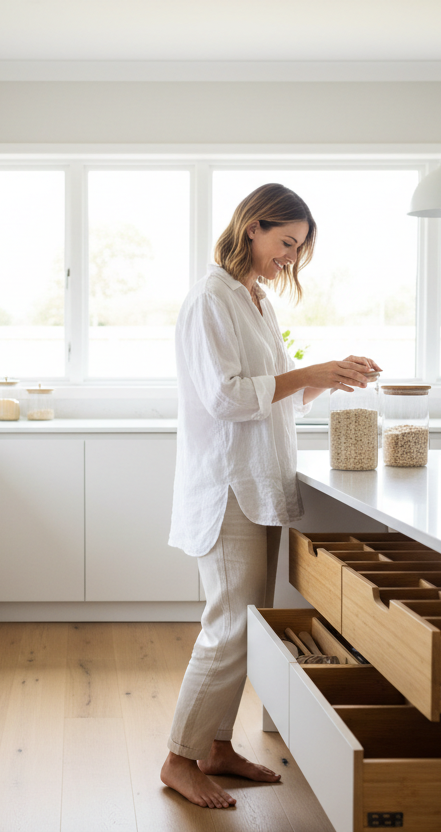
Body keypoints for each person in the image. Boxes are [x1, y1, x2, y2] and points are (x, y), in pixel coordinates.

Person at [160, 183, 381, 809]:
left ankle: (217, 748)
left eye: (298, 250)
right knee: (227, 627)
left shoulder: (253, 300)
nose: (289, 259)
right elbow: (229, 397)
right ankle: (179, 758)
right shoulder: (211, 298)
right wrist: (310, 371)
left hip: (256, 485)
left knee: (248, 626)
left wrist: (327, 379)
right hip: (227, 487)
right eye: (285, 244)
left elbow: (272, 396)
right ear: (252, 226)